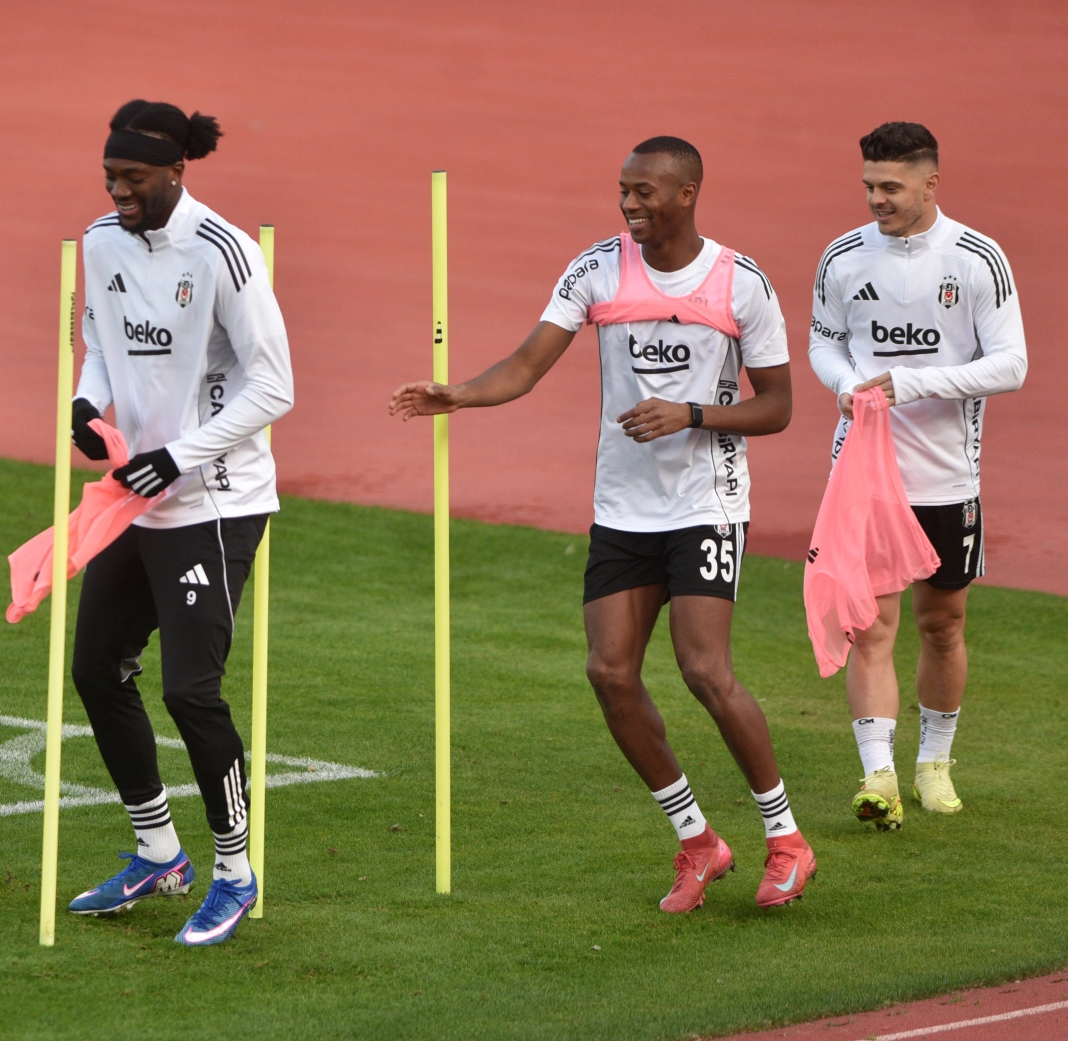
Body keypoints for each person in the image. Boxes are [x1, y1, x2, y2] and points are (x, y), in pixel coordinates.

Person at [390, 137, 815, 912]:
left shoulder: (738, 283)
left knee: (703, 670)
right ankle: (697, 843)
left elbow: (778, 406)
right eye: (623, 190)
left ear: (685, 193)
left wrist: (689, 414)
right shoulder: (596, 268)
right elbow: (526, 365)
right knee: (609, 673)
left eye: (644, 192)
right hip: (622, 509)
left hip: (705, 504)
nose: (628, 204)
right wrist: (460, 394)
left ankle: (785, 840)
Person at [63, 99, 293, 947]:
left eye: (132, 177)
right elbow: (99, 345)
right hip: (137, 496)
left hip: (216, 501)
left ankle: (234, 871)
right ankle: (158, 852)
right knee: (96, 669)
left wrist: (179, 457)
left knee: (190, 690)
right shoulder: (100, 242)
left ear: (174, 171)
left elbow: (274, 387)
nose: (118, 191)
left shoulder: (225, 252)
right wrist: (86, 403)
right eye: (109, 177)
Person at [807, 122, 1026, 829]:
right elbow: (822, 341)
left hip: (946, 479)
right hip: (865, 478)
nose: (876, 199)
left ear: (930, 184)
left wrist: (912, 382)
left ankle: (934, 764)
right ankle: (879, 775)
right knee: (870, 627)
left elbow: (1011, 365)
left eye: (891, 187)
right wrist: (845, 384)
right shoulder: (843, 257)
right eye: (868, 185)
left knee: (941, 624)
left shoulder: (976, 259)